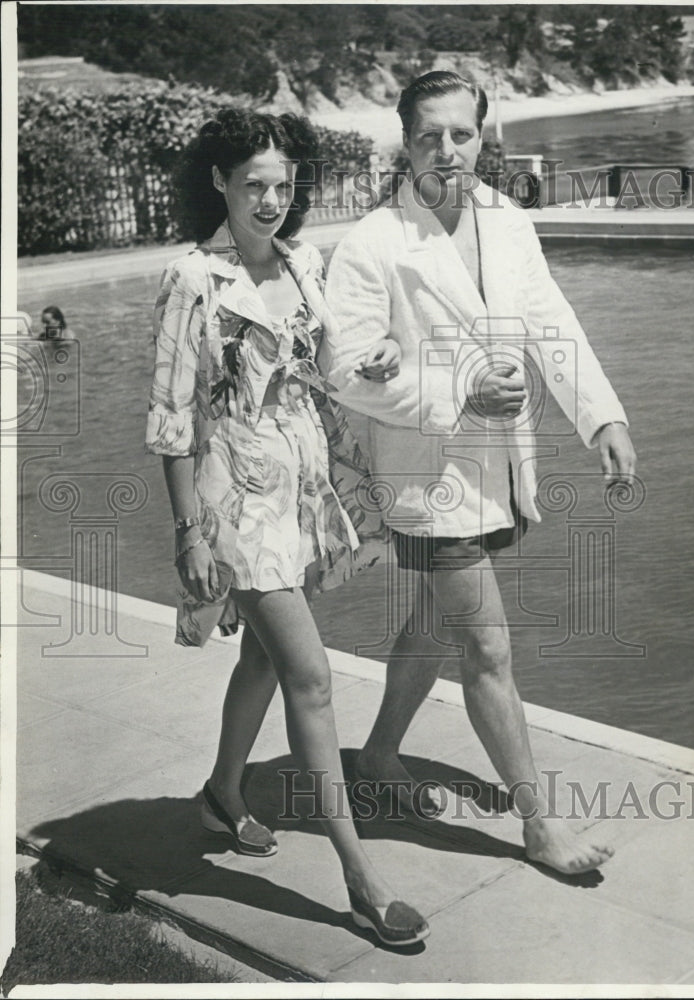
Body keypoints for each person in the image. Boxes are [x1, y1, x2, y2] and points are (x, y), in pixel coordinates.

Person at [321, 71, 637, 875]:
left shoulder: (506, 220)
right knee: (487, 649)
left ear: (482, 136)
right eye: (430, 135)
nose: (447, 150)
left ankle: (379, 757)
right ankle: (540, 829)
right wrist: (457, 387)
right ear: (405, 138)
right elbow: (344, 373)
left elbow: (549, 320)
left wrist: (600, 416)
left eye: (461, 134)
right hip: (426, 482)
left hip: (498, 467)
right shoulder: (371, 244)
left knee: (433, 620)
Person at [145, 108, 427, 947]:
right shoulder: (192, 277)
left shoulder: (307, 264)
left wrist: (374, 361)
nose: (270, 200)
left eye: (282, 185)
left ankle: (222, 792)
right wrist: (189, 534)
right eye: (253, 184)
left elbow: (328, 368)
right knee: (310, 677)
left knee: (264, 657)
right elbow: (171, 417)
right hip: (236, 499)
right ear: (218, 183)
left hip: (303, 492)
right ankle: (360, 876)